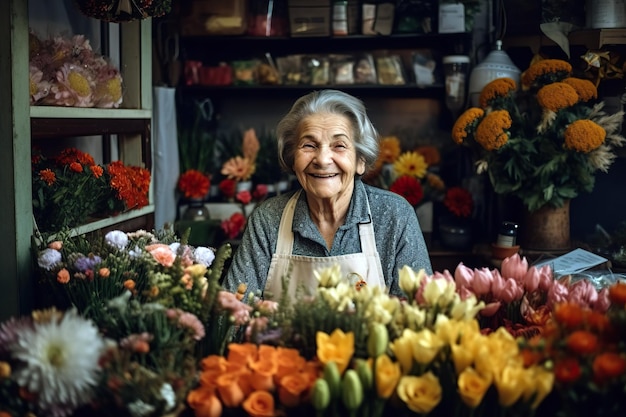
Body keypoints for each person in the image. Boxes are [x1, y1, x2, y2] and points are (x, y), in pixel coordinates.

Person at [224, 89, 432, 300]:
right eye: (309, 145)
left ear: (360, 160)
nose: (322, 159)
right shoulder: (268, 220)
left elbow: (420, 317)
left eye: (339, 145)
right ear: (292, 158)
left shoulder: (394, 215)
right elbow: (231, 318)